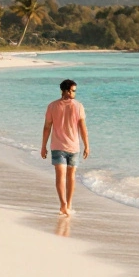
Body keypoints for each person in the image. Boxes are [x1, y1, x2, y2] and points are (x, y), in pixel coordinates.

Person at [40, 79, 89, 216]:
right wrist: (86, 145)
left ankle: (64, 205)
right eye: (73, 90)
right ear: (66, 91)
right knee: (70, 176)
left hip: (57, 146)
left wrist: (43, 146)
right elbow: (83, 128)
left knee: (61, 177)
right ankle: (68, 204)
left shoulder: (52, 106)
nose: (74, 93)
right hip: (73, 147)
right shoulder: (78, 106)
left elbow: (47, 127)